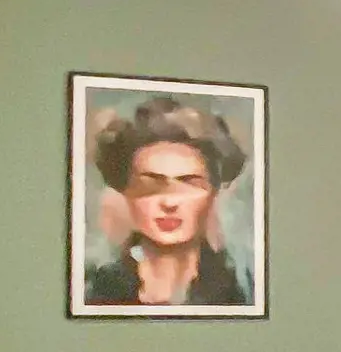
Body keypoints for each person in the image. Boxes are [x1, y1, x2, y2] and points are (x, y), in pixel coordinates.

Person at [85, 97, 251, 307]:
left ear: (214, 192)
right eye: (150, 185)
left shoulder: (239, 289)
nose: (169, 202)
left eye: (189, 184)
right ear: (125, 190)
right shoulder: (98, 289)